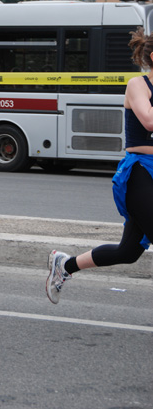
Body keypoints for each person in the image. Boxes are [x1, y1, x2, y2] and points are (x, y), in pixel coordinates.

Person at [46, 26, 153, 304]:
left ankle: (64, 265)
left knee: (127, 252)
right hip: (140, 173)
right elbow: (149, 120)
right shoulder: (138, 85)